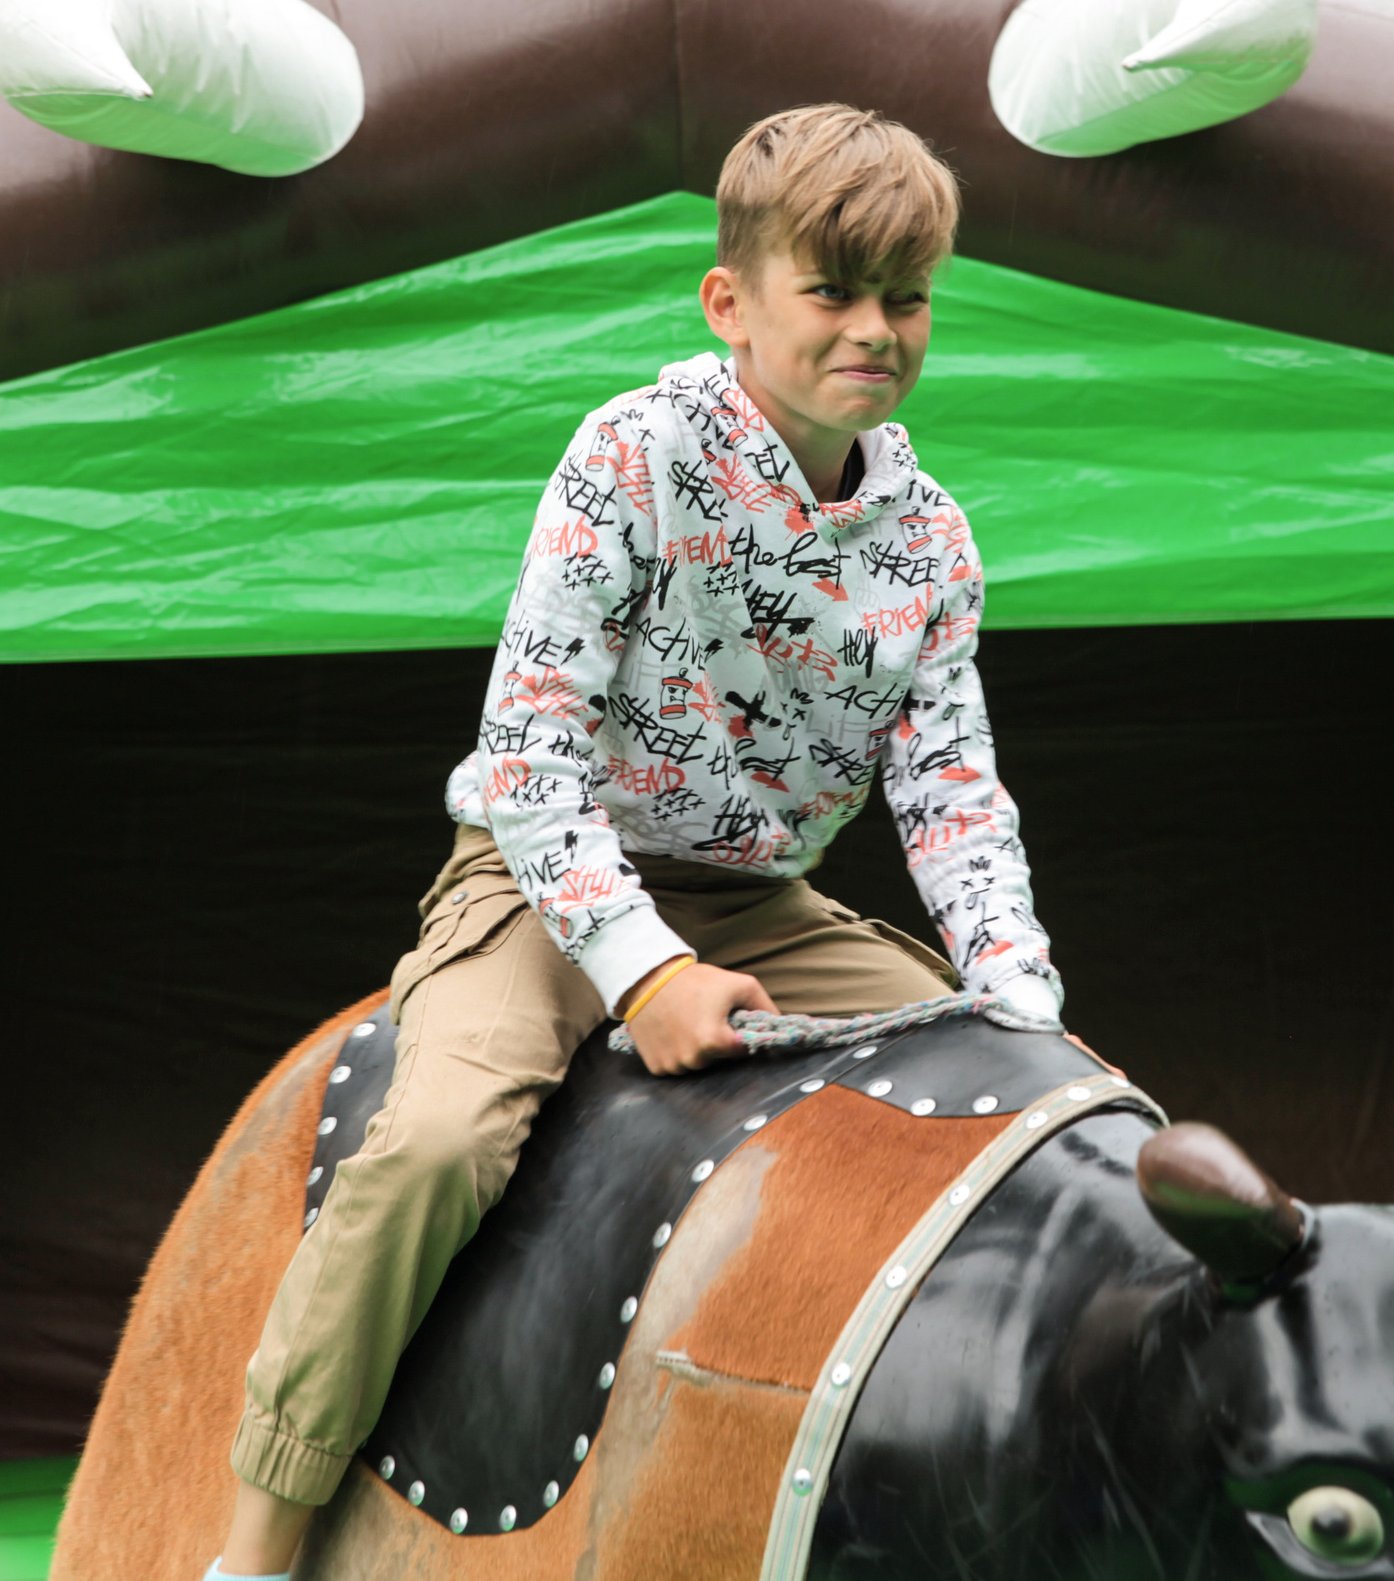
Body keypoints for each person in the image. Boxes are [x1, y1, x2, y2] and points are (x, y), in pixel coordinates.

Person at [206, 103, 1062, 1579]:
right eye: (836, 291)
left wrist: (1023, 1000)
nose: (877, 329)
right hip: (547, 879)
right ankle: (257, 1542)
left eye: (906, 297)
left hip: (763, 898)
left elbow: (952, 790)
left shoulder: (933, 538)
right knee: (436, 1142)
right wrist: (642, 975)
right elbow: (531, 758)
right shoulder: (631, 454)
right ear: (731, 302)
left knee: (1058, 1103)